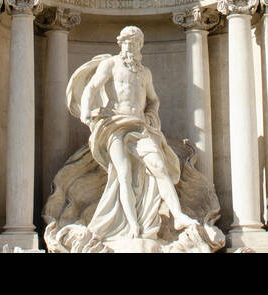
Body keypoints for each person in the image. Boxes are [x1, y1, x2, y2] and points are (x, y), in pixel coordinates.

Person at [68, 25, 197, 240]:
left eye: (136, 42)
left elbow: (153, 99)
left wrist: (150, 114)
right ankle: (132, 226)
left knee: (159, 167)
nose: (132, 45)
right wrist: (85, 111)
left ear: (140, 46)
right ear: (121, 43)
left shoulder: (144, 73)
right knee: (123, 174)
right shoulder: (111, 64)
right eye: (128, 41)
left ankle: (179, 215)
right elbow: (91, 88)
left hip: (139, 127)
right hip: (115, 125)